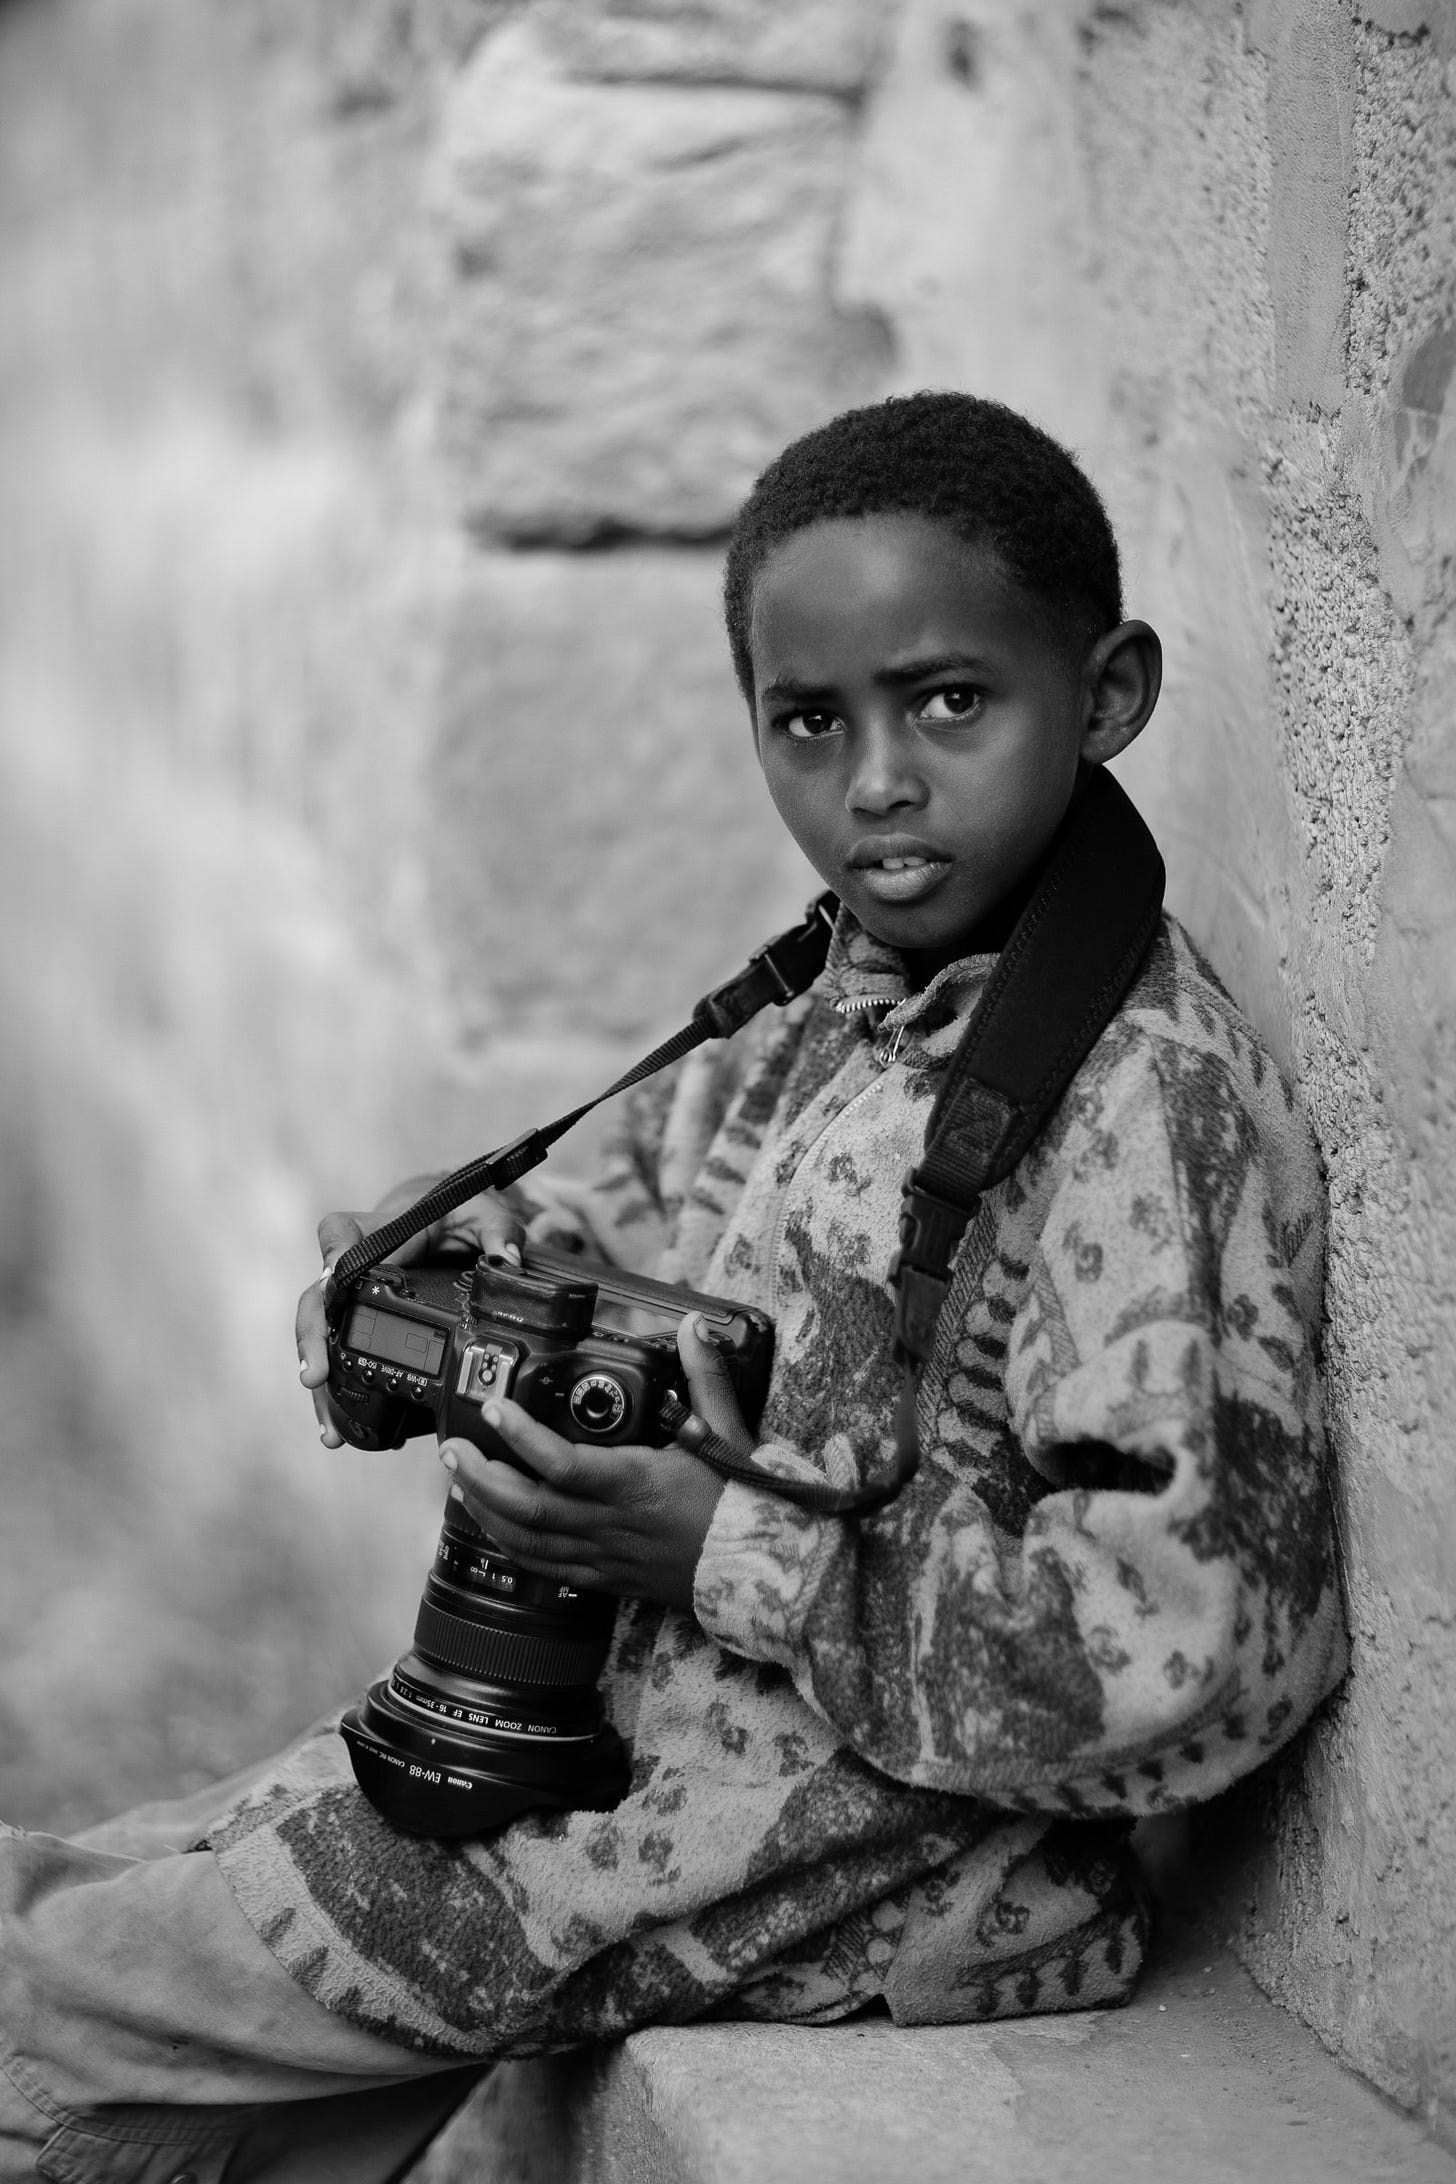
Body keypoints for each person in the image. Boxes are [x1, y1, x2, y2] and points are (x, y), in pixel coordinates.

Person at [0, 393, 1347, 2181]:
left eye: (950, 701)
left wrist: (719, 1545)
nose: (875, 780)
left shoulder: (1137, 1098)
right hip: (601, 1756)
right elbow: (626, 1229)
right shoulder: (828, 1013)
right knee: (103, 1931)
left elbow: (1204, 1650)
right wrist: (453, 1283)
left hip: (887, 1847)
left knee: (53, 2003)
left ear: (1105, 695)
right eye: (810, 722)